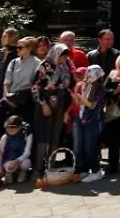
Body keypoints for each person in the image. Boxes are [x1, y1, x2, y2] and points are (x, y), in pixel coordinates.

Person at [30, 42, 72, 179]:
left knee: (55, 135)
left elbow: (67, 84)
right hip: (44, 104)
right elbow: (35, 87)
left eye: (65, 56)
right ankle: (37, 169)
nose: (63, 59)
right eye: (61, 56)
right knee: (42, 137)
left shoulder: (65, 66)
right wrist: (43, 104)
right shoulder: (44, 66)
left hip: (59, 104)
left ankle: (51, 166)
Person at [73, 65, 106, 181]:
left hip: (93, 121)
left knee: (89, 147)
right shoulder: (85, 86)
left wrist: (82, 99)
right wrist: (77, 99)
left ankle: (96, 171)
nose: (86, 75)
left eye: (89, 73)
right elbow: (82, 105)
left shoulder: (100, 89)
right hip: (82, 118)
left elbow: (92, 105)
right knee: (80, 147)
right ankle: (83, 170)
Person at [0, 114, 32, 183]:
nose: (10, 129)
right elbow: (0, 152)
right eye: (8, 127)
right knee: (8, 167)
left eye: (13, 127)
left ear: (20, 127)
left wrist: (16, 161)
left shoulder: (27, 134)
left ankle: (23, 173)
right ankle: (9, 174)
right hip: (9, 159)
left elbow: (27, 152)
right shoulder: (4, 137)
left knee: (26, 164)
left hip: (22, 159)